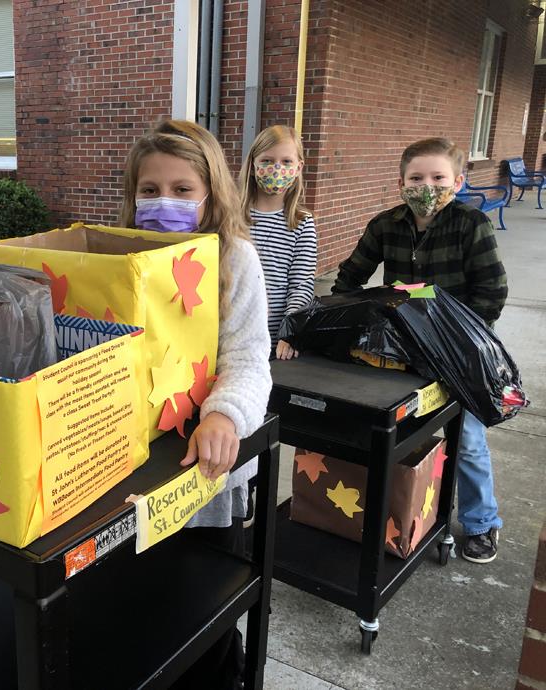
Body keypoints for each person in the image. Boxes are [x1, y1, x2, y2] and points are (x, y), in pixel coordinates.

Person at [121, 119, 272, 690]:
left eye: (182, 190)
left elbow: (249, 356)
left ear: (211, 193)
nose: (164, 202)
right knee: (140, 603)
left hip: (201, 467)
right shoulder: (123, 254)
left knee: (204, 608)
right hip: (133, 464)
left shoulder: (234, 259)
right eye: (150, 190)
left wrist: (223, 414)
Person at [332, 137, 507, 564]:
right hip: (401, 345)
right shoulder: (386, 225)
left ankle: (482, 522)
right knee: (393, 429)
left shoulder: (471, 225)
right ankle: (392, 511)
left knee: (465, 437)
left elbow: (492, 291)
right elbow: (350, 277)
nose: (426, 186)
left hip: (457, 349)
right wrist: (338, 321)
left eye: (438, 177)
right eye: (416, 178)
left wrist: (458, 336)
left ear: (458, 182)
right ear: (401, 183)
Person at [237, 125, 317, 359]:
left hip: (274, 343)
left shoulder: (301, 223)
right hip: (231, 336)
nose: (276, 168)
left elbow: (301, 285)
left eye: (286, 162)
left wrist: (290, 331)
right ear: (253, 165)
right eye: (267, 160)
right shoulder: (231, 217)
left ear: (298, 167)